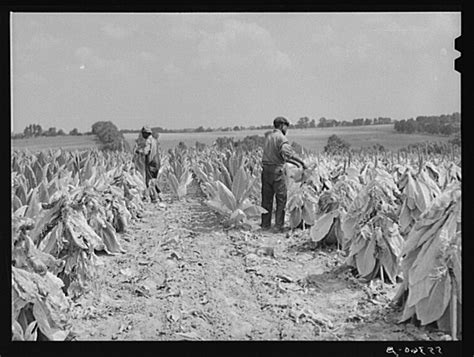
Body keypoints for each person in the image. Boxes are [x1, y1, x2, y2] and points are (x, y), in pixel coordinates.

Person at [261, 116, 307, 233]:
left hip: (266, 171)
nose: (287, 130)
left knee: (266, 199)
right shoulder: (281, 138)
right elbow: (288, 154)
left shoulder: (268, 136)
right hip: (277, 171)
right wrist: (301, 162)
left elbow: (279, 156)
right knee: (281, 198)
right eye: (286, 127)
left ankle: (265, 224)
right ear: (282, 126)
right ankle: (278, 226)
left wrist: (296, 164)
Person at [135, 126, 161, 203]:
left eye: (143, 133)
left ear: (146, 133)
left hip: (151, 162)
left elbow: (146, 152)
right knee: (154, 180)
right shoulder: (155, 140)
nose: (142, 135)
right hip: (157, 162)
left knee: (149, 182)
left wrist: (139, 151)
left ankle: (154, 198)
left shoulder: (148, 141)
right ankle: (159, 195)